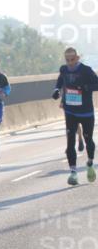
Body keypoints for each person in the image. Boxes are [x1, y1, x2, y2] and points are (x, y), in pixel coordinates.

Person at [52, 47, 97, 185]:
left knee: (88, 140)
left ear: (77, 58)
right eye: (67, 60)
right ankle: (73, 173)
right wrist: (56, 91)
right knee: (70, 142)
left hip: (86, 111)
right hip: (70, 111)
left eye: (72, 59)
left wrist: (85, 87)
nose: (70, 62)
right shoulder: (64, 69)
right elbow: (60, 81)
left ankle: (89, 163)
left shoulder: (86, 70)